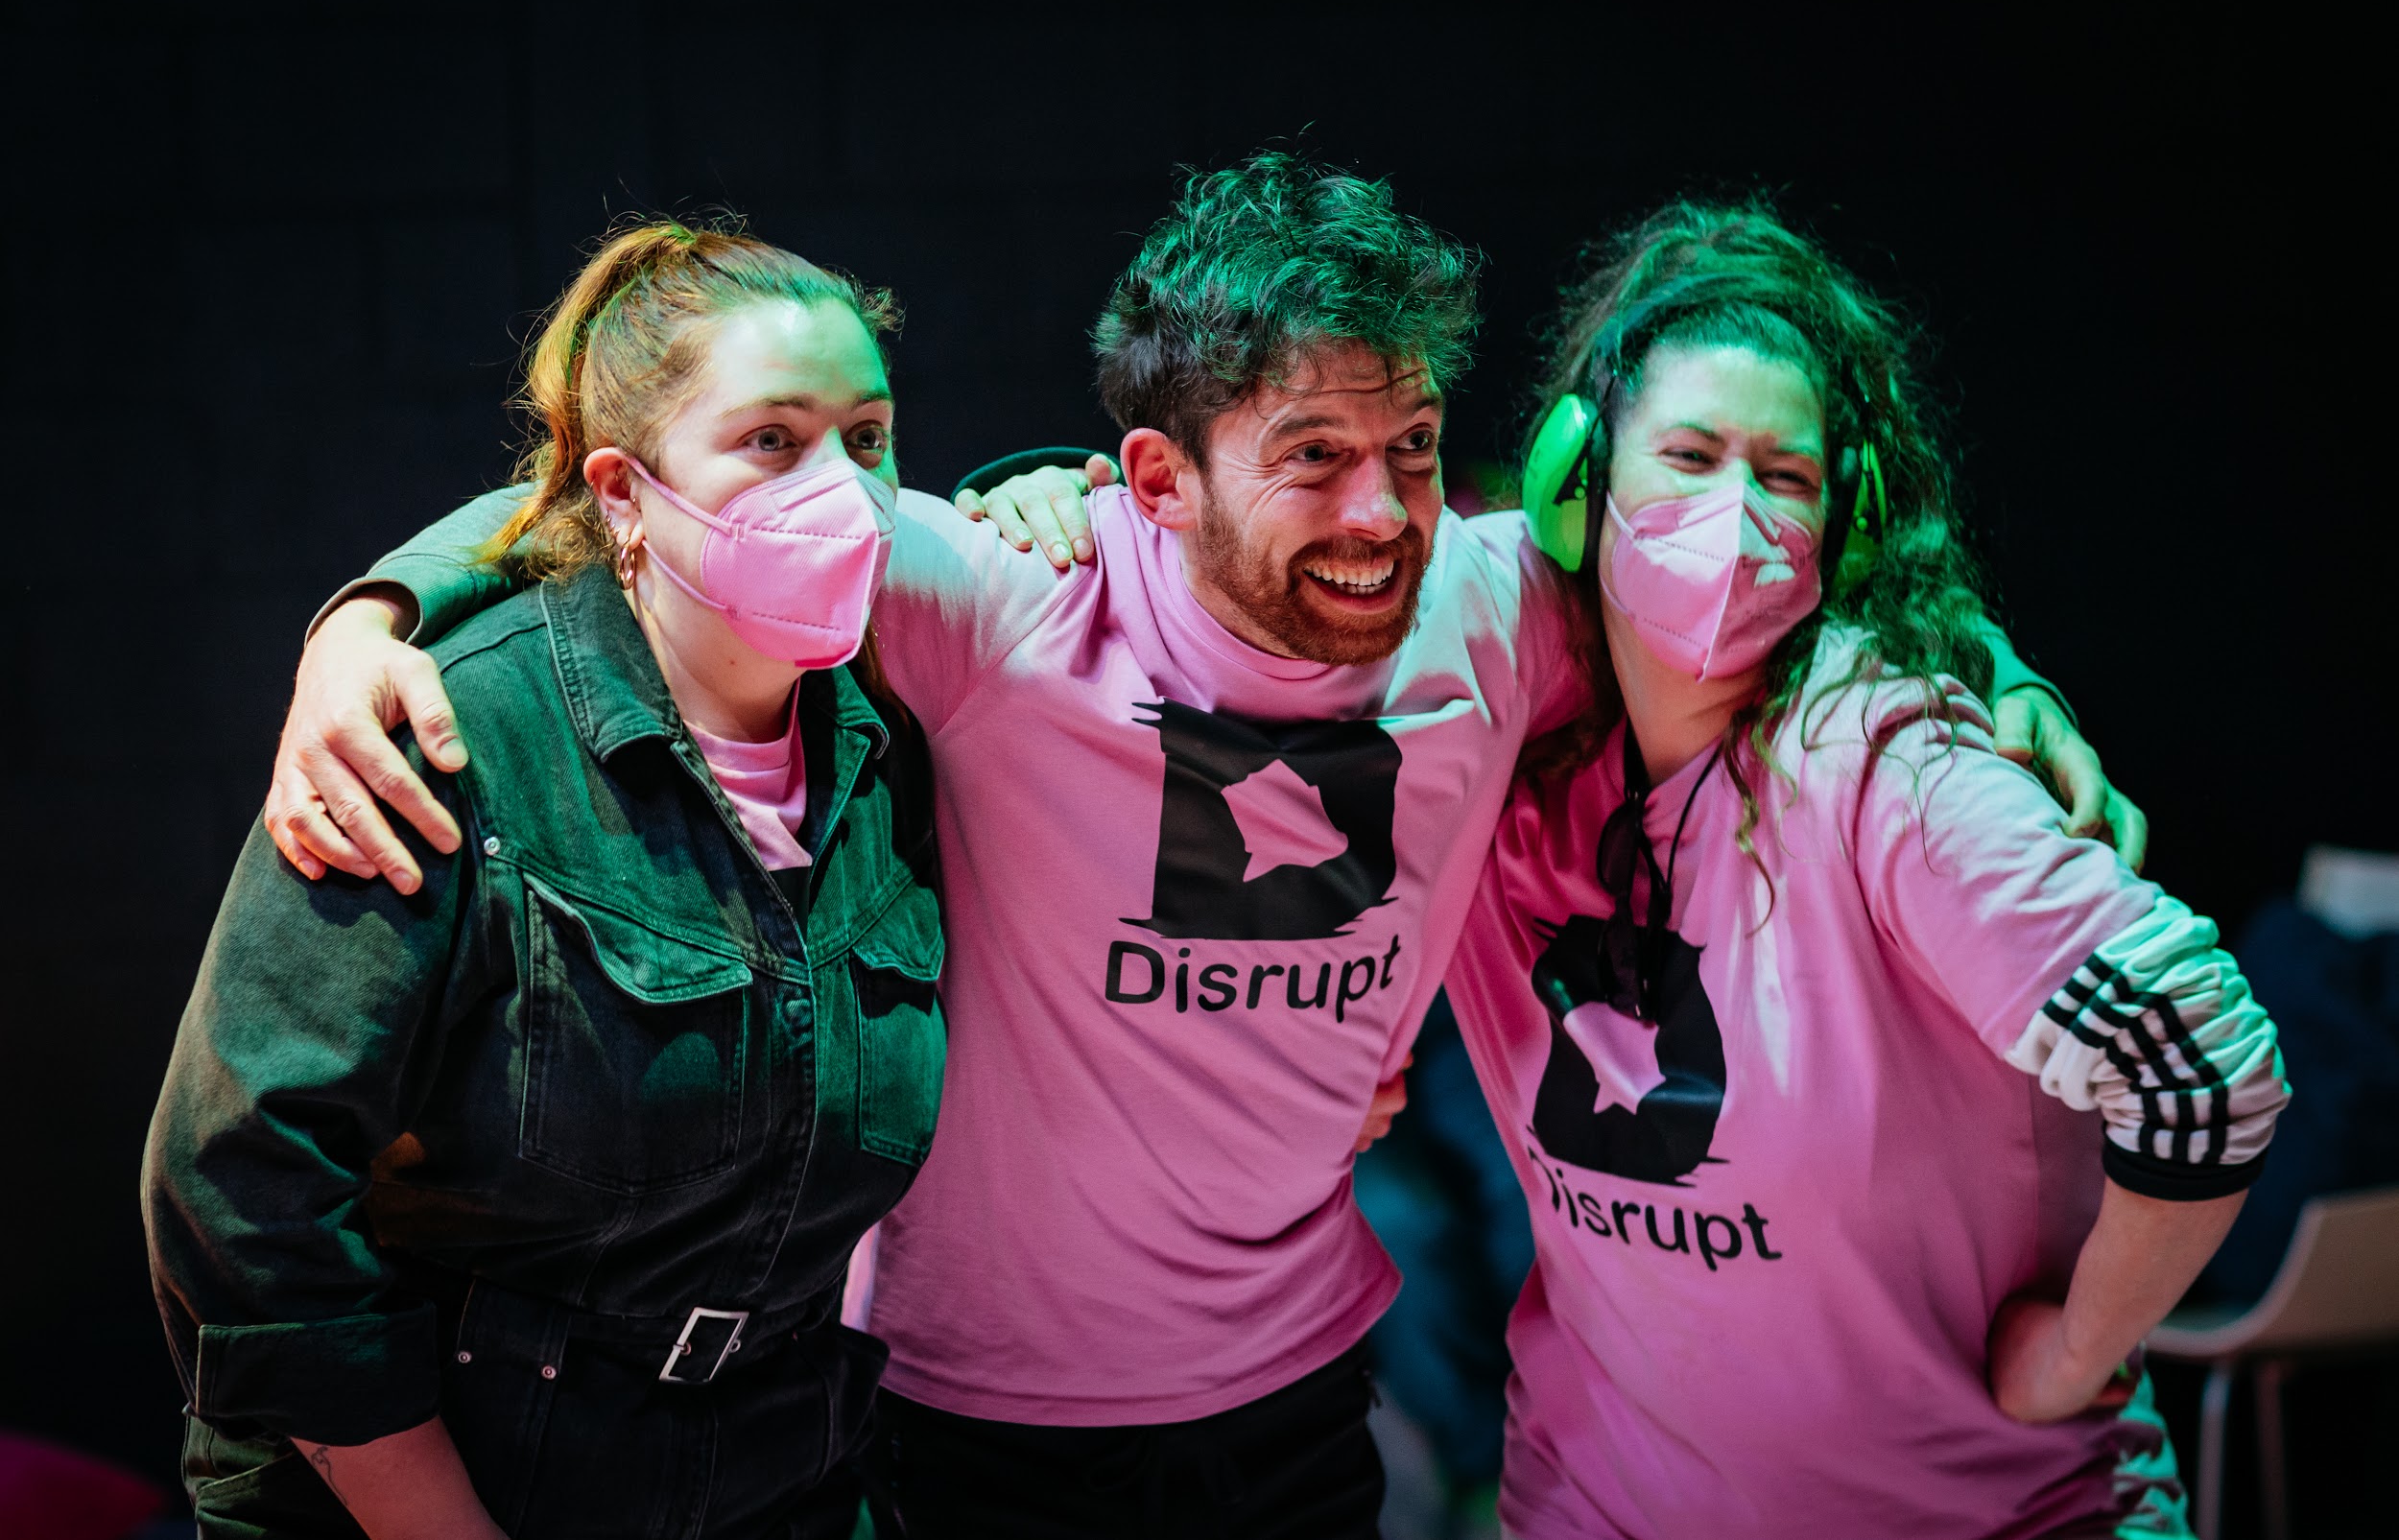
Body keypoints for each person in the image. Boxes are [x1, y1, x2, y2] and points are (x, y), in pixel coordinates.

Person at [259, 155, 2131, 1537]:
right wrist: (365, 616)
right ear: (1154, 481)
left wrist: (1995, 674)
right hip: (964, 1424)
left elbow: (1761, 576)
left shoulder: (1491, 610)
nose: (1379, 508)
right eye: (1308, 456)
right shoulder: (1001, 598)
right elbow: (653, 492)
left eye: (1406, 448)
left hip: (1301, 1404)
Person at [1434, 201, 2292, 1537]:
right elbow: (1278, 568)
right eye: (1691, 454)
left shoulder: (1884, 765)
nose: (1733, 511)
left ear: (1849, 518)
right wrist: (1057, 508)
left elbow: (2202, 1060)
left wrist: (2075, 1347)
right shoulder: (1505, 738)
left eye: (1785, 474)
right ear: (1576, 482)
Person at [144, 221, 942, 1538]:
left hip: (781, 1470)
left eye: (868, 435)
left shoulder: (893, 732)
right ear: (626, 491)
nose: (846, 492)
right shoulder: (449, 733)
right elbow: (238, 1181)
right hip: (458, 1477)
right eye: (772, 440)